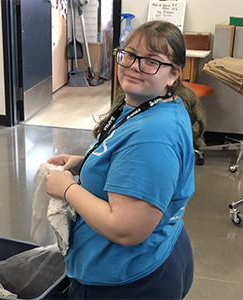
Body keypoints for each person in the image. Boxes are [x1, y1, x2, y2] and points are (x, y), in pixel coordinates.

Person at [46, 20, 206, 299]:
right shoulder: (155, 104)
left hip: (130, 281)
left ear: (173, 74)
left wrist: (67, 189)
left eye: (151, 61)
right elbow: (126, 157)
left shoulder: (153, 137)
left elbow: (125, 229)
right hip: (157, 252)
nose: (134, 66)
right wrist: (84, 162)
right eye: (129, 54)